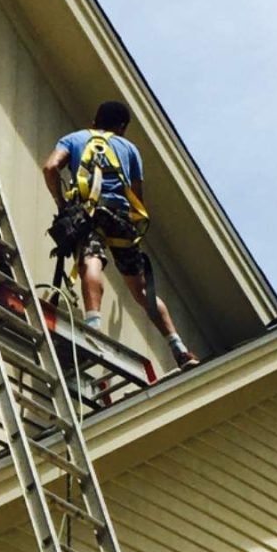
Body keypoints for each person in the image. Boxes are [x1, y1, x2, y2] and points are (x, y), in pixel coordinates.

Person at [44, 101, 198, 369]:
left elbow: (50, 168)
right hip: (120, 218)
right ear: (122, 127)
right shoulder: (130, 150)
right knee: (141, 290)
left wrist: (61, 204)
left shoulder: (75, 139)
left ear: (94, 120)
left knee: (91, 262)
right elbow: (137, 197)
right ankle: (179, 349)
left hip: (88, 214)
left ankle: (94, 328)